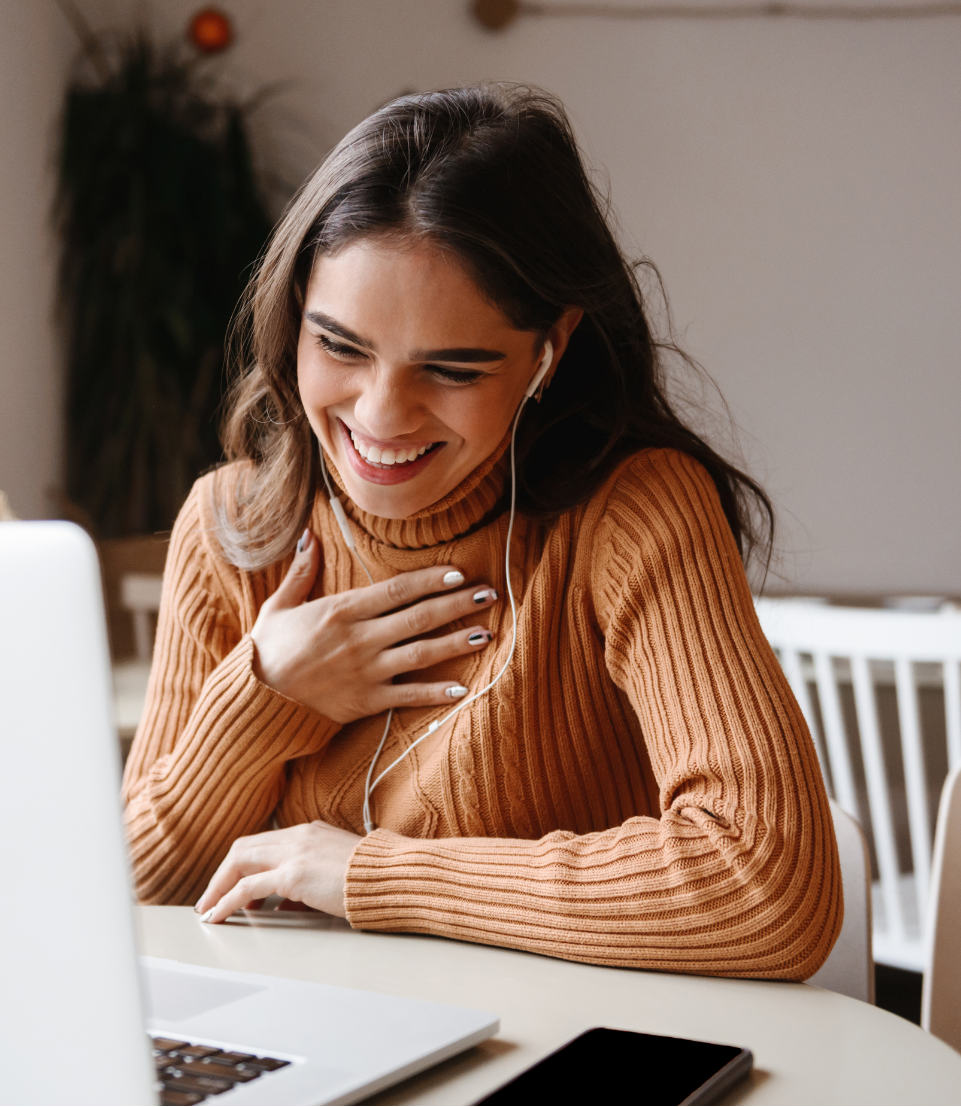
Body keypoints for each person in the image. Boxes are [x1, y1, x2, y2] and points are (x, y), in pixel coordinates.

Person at [122, 84, 841, 978]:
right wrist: (269, 697)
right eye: (340, 346)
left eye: (453, 368)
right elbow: (131, 896)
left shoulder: (635, 511)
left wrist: (371, 876)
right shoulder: (234, 524)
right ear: (293, 313)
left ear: (549, 350)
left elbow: (768, 887)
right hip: (315, 1039)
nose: (380, 417)